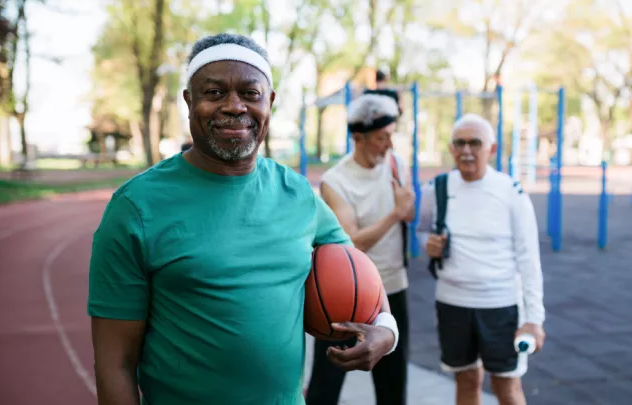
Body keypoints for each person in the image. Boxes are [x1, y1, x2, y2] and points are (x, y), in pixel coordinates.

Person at [87, 33, 400, 405]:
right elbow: (115, 366)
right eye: (214, 93)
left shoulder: (297, 194)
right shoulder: (136, 208)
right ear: (189, 101)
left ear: (269, 102)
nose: (234, 106)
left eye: (250, 94)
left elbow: (359, 274)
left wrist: (386, 330)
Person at [416, 113, 546, 405]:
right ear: (450, 149)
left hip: (500, 306)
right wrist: (430, 245)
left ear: (492, 149)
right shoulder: (434, 190)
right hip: (452, 303)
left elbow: (529, 259)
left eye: (475, 143)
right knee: (466, 380)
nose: (466, 151)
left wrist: (534, 319)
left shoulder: (511, 192)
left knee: (507, 386)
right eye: (459, 143)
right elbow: (423, 231)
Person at [305, 93, 415, 405]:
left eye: (391, 136)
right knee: (325, 389)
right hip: (343, 295)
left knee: (393, 387)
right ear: (359, 138)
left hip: (392, 287)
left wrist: (406, 212)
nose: (389, 145)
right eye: (382, 138)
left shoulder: (397, 165)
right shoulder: (336, 180)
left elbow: (407, 212)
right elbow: (351, 242)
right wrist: (396, 213)